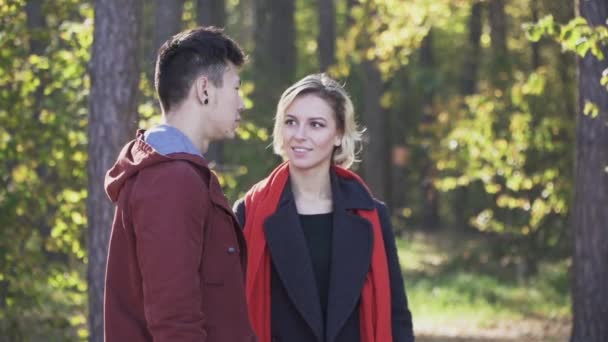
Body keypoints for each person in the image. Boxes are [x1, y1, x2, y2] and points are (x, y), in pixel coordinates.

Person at [234, 73, 414, 342]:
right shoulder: (250, 212)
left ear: (339, 134)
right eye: (291, 122)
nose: (300, 135)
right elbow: (230, 311)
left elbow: (396, 315)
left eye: (316, 125)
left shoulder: (372, 214)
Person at [104, 27, 256, 341]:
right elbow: (175, 322)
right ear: (204, 89)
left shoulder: (174, 172)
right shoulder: (171, 181)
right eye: (236, 88)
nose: (241, 103)